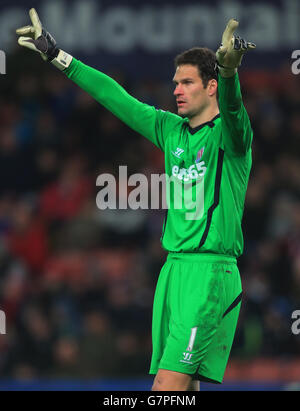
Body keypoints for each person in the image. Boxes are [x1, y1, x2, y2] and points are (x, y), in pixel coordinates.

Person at [16, 9, 255, 391]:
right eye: (175, 82)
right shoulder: (169, 130)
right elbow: (116, 97)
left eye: (187, 82)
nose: (176, 89)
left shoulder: (231, 137)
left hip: (209, 274)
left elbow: (232, 110)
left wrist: (229, 73)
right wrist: (59, 56)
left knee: (166, 388)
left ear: (210, 87)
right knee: (184, 391)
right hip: (173, 272)